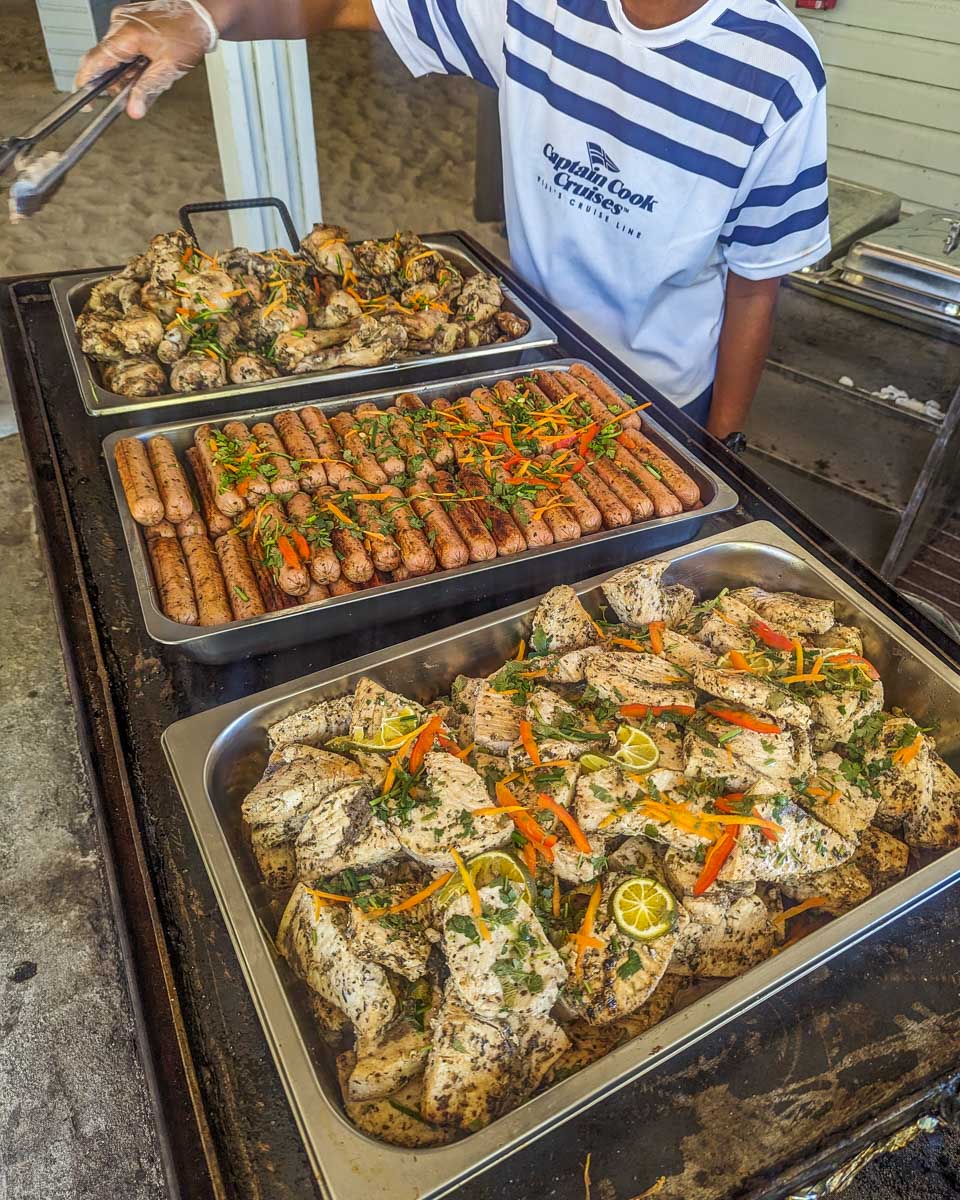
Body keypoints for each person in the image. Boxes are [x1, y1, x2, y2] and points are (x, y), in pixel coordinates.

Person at [78, 0, 830, 439]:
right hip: (519, 357)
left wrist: (724, 444)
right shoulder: (530, 7)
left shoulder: (776, 69)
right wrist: (202, 19)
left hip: (659, 395)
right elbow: (337, 5)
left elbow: (756, 285)